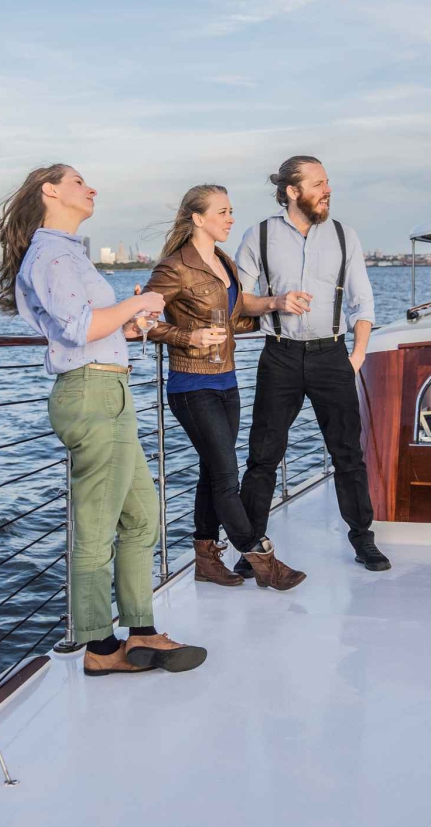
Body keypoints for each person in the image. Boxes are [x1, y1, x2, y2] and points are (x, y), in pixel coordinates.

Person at [0, 164, 207, 676]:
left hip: (110, 388)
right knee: (96, 527)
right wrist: (142, 300)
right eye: (78, 181)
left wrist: (131, 324)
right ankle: (100, 647)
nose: (91, 189)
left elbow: (89, 328)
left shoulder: (67, 252)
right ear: (50, 191)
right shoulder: (52, 255)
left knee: (141, 516)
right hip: (92, 393)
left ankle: (141, 631)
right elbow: (78, 328)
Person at [144, 185, 309, 590]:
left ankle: (206, 559)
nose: (231, 218)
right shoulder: (174, 267)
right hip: (191, 384)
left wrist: (276, 307)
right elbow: (143, 320)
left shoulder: (224, 262)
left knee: (211, 471)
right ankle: (261, 557)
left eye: (231, 210)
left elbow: (234, 317)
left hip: (227, 381)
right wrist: (189, 336)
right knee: (225, 476)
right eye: (223, 212)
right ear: (198, 218)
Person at [233, 156, 391, 571]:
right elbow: (239, 300)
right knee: (263, 456)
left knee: (348, 454)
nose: (328, 190)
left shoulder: (344, 235)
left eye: (327, 182)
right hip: (279, 356)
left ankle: (363, 540)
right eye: (318, 183)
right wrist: (275, 301)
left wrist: (357, 356)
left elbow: (362, 302)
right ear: (292, 191)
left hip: (332, 356)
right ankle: (251, 549)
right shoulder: (259, 235)